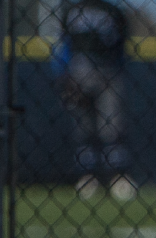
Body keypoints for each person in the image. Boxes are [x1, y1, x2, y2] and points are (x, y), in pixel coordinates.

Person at [54, 0, 134, 200]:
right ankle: (87, 176)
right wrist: (64, 74)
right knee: (83, 129)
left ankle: (117, 176)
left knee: (113, 128)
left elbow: (122, 45)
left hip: (109, 71)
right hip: (79, 72)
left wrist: (119, 71)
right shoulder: (72, 10)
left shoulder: (113, 10)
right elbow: (64, 44)